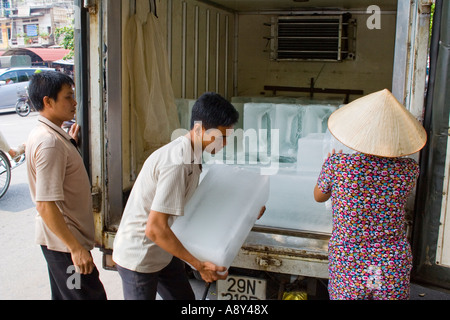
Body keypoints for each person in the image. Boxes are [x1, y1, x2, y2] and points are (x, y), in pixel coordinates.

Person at [113, 92, 247, 300]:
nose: (224, 144)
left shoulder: (193, 155)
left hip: (163, 252)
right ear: (199, 129)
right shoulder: (177, 162)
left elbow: (195, 204)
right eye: (220, 138)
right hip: (140, 256)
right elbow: (155, 228)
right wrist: (198, 265)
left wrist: (247, 209)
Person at [314, 89, 427, 300]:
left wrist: (330, 169)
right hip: (390, 263)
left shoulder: (338, 165)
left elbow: (319, 196)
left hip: (349, 262)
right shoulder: (409, 169)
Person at [25, 71, 107, 300]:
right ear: (48, 102)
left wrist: (70, 142)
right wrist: (75, 249)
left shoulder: (51, 135)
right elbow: (44, 205)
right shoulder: (50, 143)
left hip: (61, 243)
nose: (74, 102)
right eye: (68, 97)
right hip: (64, 246)